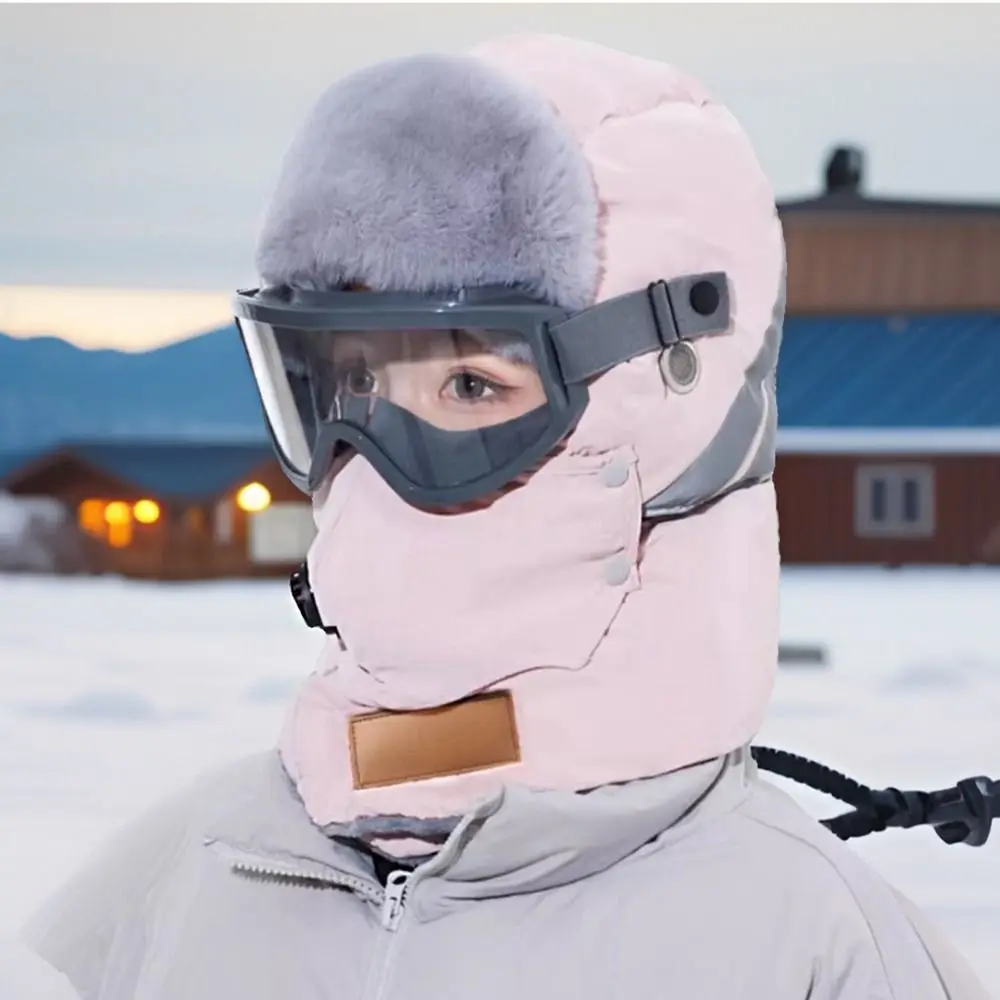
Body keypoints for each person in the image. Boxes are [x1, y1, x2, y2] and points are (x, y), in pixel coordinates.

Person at [5, 33, 993, 1000]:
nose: (380, 466)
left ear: (662, 404)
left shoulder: (815, 952)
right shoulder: (183, 878)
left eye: (471, 385)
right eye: (351, 386)